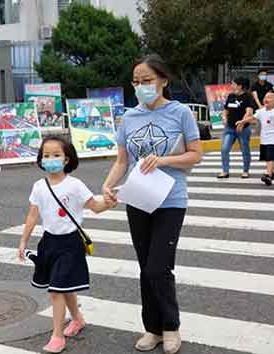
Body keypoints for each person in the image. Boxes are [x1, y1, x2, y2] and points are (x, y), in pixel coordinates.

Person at [102, 54, 202, 354]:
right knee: (145, 267)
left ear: (163, 81)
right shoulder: (128, 117)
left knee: (160, 267)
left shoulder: (180, 112)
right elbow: (122, 160)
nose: (141, 86)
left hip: (170, 199)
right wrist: (107, 185)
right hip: (138, 198)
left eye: (147, 80)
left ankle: (171, 327)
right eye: (136, 82)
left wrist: (165, 160)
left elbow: (195, 154)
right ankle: (152, 329)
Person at [18, 136, 116, 353]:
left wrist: (109, 203)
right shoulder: (39, 186)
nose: (50, 159)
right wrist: (23, 240)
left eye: (56, 155)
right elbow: (33, 215)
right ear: (40, 159)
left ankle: (57, 336)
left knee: (56, 291)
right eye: (46, 155)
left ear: (66, 159)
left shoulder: (75, 185)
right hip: (49, 243)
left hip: (70, 244)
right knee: (63, 286)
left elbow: (95, 206)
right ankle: (78, 319)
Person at [218, 77, 255, 178]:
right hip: (230, 128)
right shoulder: (231, 96)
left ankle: (245, 171)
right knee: (224, 148)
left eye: (233, 84)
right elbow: (226, 110)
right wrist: (224, 118)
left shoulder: (248, 96)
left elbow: (249, 112)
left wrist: (242, 123)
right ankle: (225, 171)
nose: (231, 85)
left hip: (243, 128)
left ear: (240, 86)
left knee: (245, 149)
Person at [244, 91, 274, 185]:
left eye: (269, 97)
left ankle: (268, 175)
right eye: (265, 97)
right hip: (264, 139)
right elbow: (252, 118)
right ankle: (272, 173)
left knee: (270, 158)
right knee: (267, 158)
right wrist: (242, 121)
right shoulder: (262, 111)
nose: (266, 99)